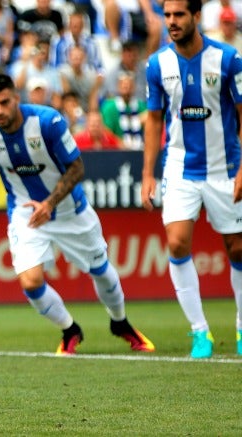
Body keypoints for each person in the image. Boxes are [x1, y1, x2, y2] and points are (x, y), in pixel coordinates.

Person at [0, 73, 154, 355]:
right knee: (30, 281)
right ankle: (70, 329)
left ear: (17, 98)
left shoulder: (47, 122)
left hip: (69, 211)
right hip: (25, 212)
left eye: (4, 103)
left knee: (101, 272)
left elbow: (77, 167)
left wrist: (50, 203)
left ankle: (120, 322)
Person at [142, 0, 242, 359]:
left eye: (179, 15)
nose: (172, 22)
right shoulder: (157, 64)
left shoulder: (229, 60)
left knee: (238, 248)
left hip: (224, 168)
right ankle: (201, 333)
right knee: (177, 244)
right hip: (180, 168)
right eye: (167, 15)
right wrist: (147, 173)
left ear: (196, 17)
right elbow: (153, 121)